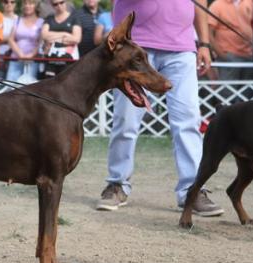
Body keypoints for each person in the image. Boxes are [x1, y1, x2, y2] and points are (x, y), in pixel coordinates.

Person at [96, 0, 225, 217]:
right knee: (125, 120)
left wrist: (204, 43)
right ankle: (117, 184)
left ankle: (192, 191)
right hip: (134, 45)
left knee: (188, 120)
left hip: (181, 46)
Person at [208, 0, 253, 81]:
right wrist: (222, 55)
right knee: (227, 91)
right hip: (228, 55)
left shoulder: (250, 3)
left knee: (248, 91)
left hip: (249, 55)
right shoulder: (217, 4)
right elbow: (208, 33)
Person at [40, 0, 81, 78]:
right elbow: (44, 35)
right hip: (51, 57)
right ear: (52, 6)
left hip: (68, 58)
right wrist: (65, 34)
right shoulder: (49, 18)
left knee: (66, 81)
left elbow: (76, 39)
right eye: (55, 4)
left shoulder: (74, 18)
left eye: (61, 2)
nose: (59, 6)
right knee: (49, 82)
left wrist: (53, 38)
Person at [6, 0, 43, 82]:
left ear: (36, 6)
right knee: (10, 86)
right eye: (25, 3)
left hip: (32, 60)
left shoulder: (41, 22)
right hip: (16, 59)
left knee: (29, 88)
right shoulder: (18, 20)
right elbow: (11, 39)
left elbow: (41, 42)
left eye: (30, 3)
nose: (27, 6)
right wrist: (20, 54)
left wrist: (31, 55)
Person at [0, 0, 18, 79]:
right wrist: (12, 38)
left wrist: (6, 38)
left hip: (15, 56)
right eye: (6, 2)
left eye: (12, 2)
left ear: (15, 4)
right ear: (2, 3)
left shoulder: (19, 19)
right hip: (0, 56)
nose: (9, 4)